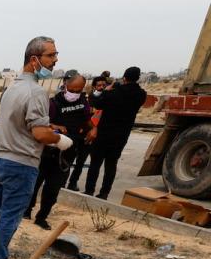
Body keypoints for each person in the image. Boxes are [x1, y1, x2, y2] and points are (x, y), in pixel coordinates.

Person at [0, 37, 73, 259]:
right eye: (51, 55)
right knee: (10, 214)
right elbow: (39, 133)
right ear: (34, 59)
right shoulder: (35, 92)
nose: (55, 60)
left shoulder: (12, 88)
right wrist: (59, 140)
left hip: (0, 160)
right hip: (21, 164)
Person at [25, 73, 92, 228]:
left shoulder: (83, 103)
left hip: (67, 154)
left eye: (78, 90)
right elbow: (41, 124)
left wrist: (93, 129)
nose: (75, 93)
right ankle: (26, 210)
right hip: (48, 151)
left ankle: (42, 217)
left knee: (53, 189)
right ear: (65, 85)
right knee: (34, 183)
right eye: (72, 89)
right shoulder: (53, 103)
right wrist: (54, 127)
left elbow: (87, 121)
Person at [83, 66, 147, 200]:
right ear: (138, 78)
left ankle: (89, 191)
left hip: (104, 133)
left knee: (95, 163)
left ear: (124, 77)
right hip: (122, 135)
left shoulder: (113, 92)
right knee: (111, 165)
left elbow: (96, 104)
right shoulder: (141, 94)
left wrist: (103, 92)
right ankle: (104, 193)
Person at [67, 76, 108, 191]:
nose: (101, 87)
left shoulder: (106, 99)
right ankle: (62, 181)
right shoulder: (85, 98)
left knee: (81, 162)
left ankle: (72, 182)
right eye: (99, 85)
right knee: (69, 159)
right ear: (94, 86)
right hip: (79, 132)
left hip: (90, 135)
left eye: (103, 85)